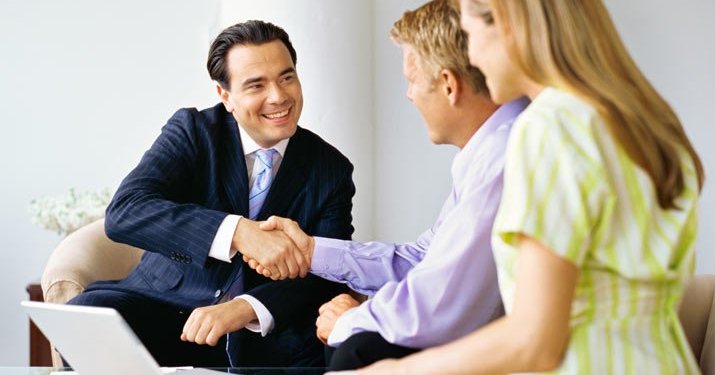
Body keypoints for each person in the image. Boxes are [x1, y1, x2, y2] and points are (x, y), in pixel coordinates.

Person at [353, 0, 706, 373]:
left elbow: (534, 342)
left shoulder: (550, 127)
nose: (470, 55)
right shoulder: (644, 123)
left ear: (507, 25)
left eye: (471, 35)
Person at [242, 0, 528, 370]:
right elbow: (420, 259)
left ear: (448, 85)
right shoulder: (484, 154)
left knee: (356, 347)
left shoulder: (502, 157)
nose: (408, 95)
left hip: (493, 344)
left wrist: (352, 318)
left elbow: (440, 303)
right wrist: (311, 251)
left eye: (411, 80)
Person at [67, 20, 355, 368]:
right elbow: (126, 211)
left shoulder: (332, 169)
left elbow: (327, 273)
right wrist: (238, 232)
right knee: (89, 313)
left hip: (260, 332)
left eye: (286, 77)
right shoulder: (193, 132)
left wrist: (246, 308)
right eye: (256, 85)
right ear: (225, 96)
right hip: (164, 305)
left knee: (331, 344)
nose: (279, 96)